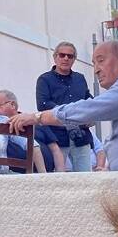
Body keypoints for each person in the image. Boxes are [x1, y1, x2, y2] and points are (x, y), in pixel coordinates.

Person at [10, 40, 118, 171]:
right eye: (94, 64)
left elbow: (90, 107)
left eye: (100, 61)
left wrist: (36, 117)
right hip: (59, 137)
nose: (96, 70)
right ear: (55, 57)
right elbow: (87, 108)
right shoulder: (45, 79)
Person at [35, 42, 96, 172]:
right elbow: (43, 104)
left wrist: (92, 115)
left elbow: (88, 100)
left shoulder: (80, 79)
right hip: (56, 137)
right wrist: (72, 114)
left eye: (70, 56)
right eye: (62, 55)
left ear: (74, 59)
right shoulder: (44, 80)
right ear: (55, 57)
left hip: (80, 135)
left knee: (85, 177)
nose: (66, 58)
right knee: (59, 179)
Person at [0, 89, 53, 173]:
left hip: (45, 174)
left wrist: (60, 172)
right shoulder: (0, 126)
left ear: (12, 105)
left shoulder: (35, 120)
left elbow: (54, 148)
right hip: (18, 175)